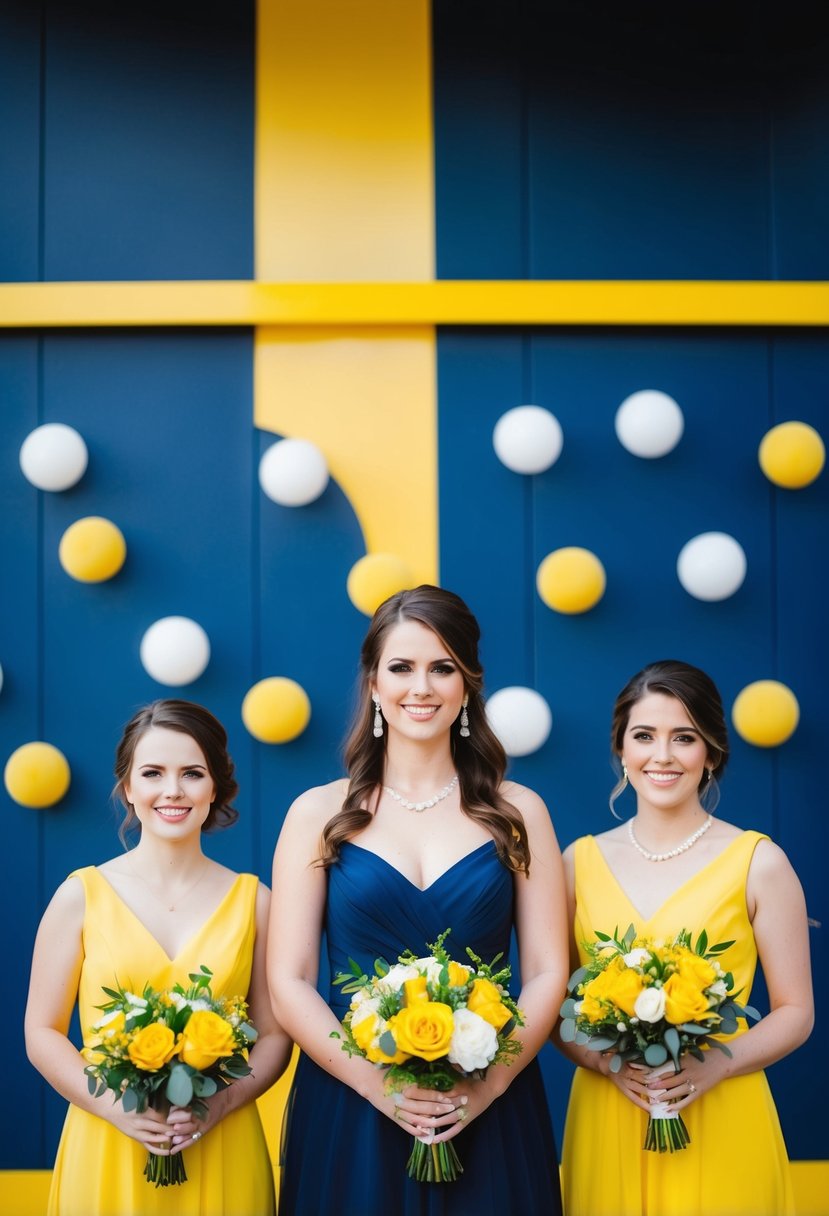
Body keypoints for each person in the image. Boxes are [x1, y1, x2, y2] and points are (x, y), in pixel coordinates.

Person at [268, 585, 568, 1216]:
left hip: (488, 1099)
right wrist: (379, 1087)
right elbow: (289, 980)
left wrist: (489, 1085)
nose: (421, 687)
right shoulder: (318, 813)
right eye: (401, 668)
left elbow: (546, 971)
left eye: (442, 668)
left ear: (468, 684)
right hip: (352, 1101)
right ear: (374, 685)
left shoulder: (519, 813)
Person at [559, 660, 814, 1216]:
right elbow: (557, 1004)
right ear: (622, 751)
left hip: (723, 1107)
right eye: (644, 736)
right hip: (611, 1113)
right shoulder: (578, 863)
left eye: (685, 737)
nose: (663, 755)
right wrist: (607, 1065)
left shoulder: (759, 862)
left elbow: (796, 1011)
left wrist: (719, 1063)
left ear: (712, 752)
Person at [26, 699, 291, 1216]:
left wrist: (219, 1105)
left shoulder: (257, 902)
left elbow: (276, 1035)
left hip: (221, 1144)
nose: (172, 790)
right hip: (108, 1141)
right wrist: (114, 1109)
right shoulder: (81, 894)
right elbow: (41, 1032)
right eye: (153, 773)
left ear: (215, 787)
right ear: (128, 787)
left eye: (192, 773)